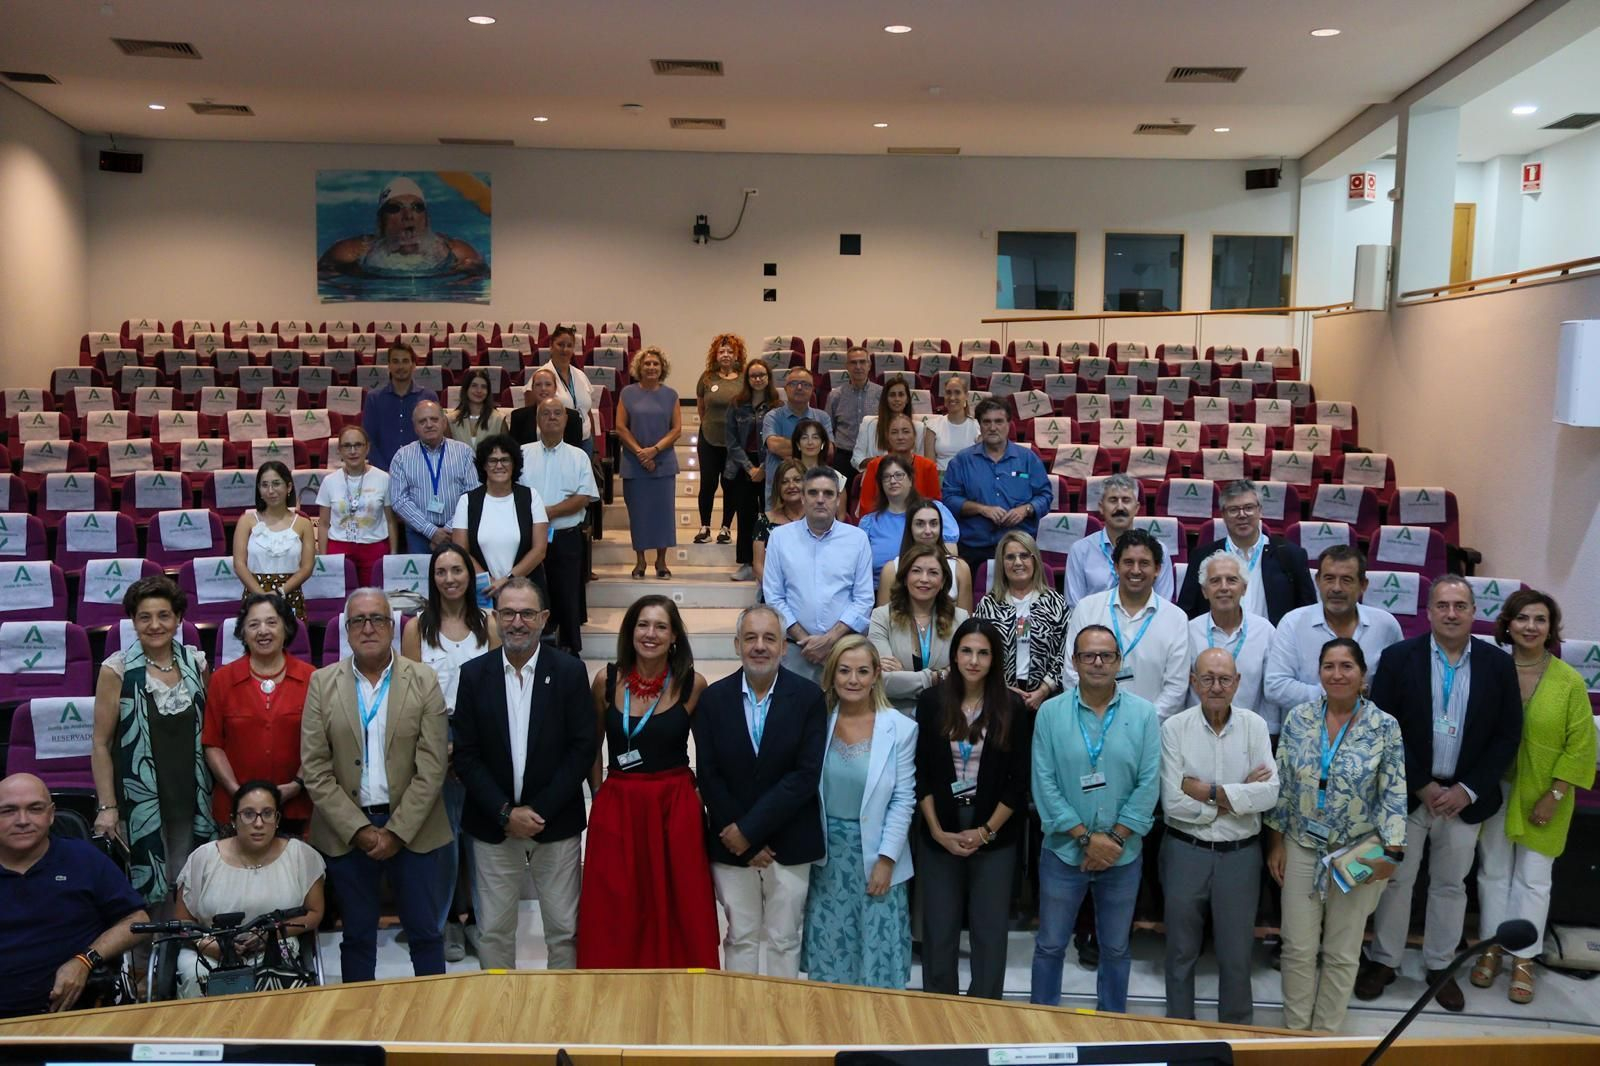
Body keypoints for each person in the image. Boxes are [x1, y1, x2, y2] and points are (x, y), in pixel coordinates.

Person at [1357, 576, 1522, 1011]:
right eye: (1443, 605)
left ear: (1473, 612)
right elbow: (1383, 728)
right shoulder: (1397, 658)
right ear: (1428, 612)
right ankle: (1385, 960)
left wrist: (1467, 790)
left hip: (1465, 800)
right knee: (1395, 881)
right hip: (1409, 794)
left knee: (1451, 886)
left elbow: (1507, 736)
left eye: (1460, 605)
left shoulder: (1498, 665)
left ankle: (1440, 964)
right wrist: (1423, 784)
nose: (1451, 613)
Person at [300, 588, 451, 982]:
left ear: (392, 627)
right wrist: (362, 832)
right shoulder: (322, 683)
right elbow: (315, 767)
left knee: (425, 934)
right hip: (347, 833)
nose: (368, 628)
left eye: (377, 619)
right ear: (346, 630)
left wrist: (396, 832)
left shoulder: (423, 679)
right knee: (357, 937)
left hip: (414, 830)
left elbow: (434, 765)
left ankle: (433, 1030)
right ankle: (358, 1033)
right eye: (358, 621)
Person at [1265, 638, 1407, 1033]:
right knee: (1297, 947)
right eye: (1329, 665)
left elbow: (1394, 792)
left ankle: (1325, 1036)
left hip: (1359, 849)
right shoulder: (1299, 719)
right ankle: (1295, 1033)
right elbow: (1284, 785)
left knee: (1343, 951)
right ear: (1319, 673)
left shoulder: (1384, 726)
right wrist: (1275, 840)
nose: (1337, 674)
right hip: (1301, 843)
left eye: (1347, 666)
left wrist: (1391, 853)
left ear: (1363, 675)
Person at [453, 578, 595, 970]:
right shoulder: (473, 675)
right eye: (509, 613)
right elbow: (465, 755)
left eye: (527, 613)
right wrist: (505, 813)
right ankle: (502, 1023)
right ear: (495, 618)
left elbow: (582, 748)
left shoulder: (569, 672)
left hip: (556, 824)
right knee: (494, 932)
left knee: (564, 931)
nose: (518, 622)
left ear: (544, 619)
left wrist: (538, 811)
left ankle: (561, 1021)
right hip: (492, 826)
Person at [578, 595, 719, 968]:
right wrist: (597, 792)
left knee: (679, 905)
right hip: (618, 803)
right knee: (615, 905)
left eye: (660, 626)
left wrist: (699, 802)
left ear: (674, 636)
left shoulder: (694, 684)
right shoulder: (605, 681)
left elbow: (709, 755)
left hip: (674, 805)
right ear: (630, 631)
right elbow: (592, 746)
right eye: (643, 624)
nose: (650, 634)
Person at [1472, 589, 1596, 1004]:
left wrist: (1557, 793)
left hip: (1547, 793)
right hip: (1495, 787)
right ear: (1507, 623)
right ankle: (1492, 945)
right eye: (1522, 618)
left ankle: (1523, 958)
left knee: (1534, 878)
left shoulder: (1568, 681)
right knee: (1492, 871)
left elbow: (1581, 746)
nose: (1530, 626)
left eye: (1539, 620)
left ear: (1551, 628)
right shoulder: (1491, 668)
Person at [1030, 625, 1161, 1012]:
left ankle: (1111, 1028)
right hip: (1063, 851)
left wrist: (1114, 841)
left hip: (1123, 856)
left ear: (1119, 662)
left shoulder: (1143, 715)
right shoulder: (1051, 714)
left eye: (1106, 655)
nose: (1098, 663)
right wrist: (1088, 839)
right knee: (1050, 944)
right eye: (1089, 655)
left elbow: (1149, 782)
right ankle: (1039, 1026)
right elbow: (1044, 783)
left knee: (1116, 948)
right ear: (1074, 662)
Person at [692, 604, 827, 977]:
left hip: (791, 841)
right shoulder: (713, 700)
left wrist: (750, 831)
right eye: (750, 638)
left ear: (785, 647)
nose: (760, 646)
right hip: (730, 842)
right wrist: (742, 838)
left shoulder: (809, 698)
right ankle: (741, 1027)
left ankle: (781, 1028)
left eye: (770, 638)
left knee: (785, 938)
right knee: (741, 936)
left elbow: (804, 776)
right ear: (737, 644)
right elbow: (709, 774)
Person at [1159, 648, 1279, 1025]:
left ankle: (1237, 1037)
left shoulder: (1255, 726)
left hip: (1240, 856)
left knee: (1236, 954)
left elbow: (1270, 793)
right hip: (1184, 851)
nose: (1215, 686)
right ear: (1193, 682)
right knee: (1180, 952)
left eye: (1224, 679)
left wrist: (1208, 792)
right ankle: (1179, 1034)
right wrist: (1238, 794)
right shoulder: (1174, 728)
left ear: (1238, 683)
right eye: (1207, 678)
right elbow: (1173, 803)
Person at [914, 619, 1032, 999]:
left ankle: (985, 1014)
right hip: (941, 829)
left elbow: (1019, 782)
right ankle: (940, 1016)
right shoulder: (931, 702)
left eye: (983, 652)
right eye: (966, 651)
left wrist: (984, 832)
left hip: (994, 832)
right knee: (939, 930)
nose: (974, 660)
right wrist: (936, 832)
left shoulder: (1013, 707)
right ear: (954, 655)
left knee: (990, 932)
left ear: (994, 658)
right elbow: (923, 773)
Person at [92, 576, 215, 914]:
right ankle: (150, 966)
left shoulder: (197, 664)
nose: (155, 625)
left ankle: (193, 959)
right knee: (150, 896)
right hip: (141, 804)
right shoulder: (115, 670)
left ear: (178, 619)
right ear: (133, 622)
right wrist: (107, 806)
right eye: (144, 617)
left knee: (193, 885)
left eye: (164, 615)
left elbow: (212, 733)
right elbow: (101, 744)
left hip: (193, 799)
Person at [402, 544, 501, 961]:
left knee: (480, 839)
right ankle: (442, 924)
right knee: (441, 841)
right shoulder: (416, 629)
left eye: (457, 570)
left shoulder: (489, 623)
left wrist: (467, 748)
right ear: (433, 577)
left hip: (478, 742)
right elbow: (409, 694)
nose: (450, 578)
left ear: (469, 575)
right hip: (431, 742)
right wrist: (438, 747)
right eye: (441, 571)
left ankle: (480, 921)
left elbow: (497, 688)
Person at [801, 635, 917, 989]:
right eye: (845, 671)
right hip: (825, 858)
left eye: (862, 671)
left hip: (877, 858)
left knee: (877, 959)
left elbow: (903, 799)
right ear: (832, 674)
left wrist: (886, 859)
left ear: (876, 675)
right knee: (831, 955)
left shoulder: (901, 728)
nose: (853, 680)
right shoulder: (815, 721)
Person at [0, 773, 148, 1019]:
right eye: (8, 811)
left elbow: (136, 920)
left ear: (51, 814)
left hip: (77, 1014)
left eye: (35, 809)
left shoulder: (83, 859)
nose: (23, 820)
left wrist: (84, 960)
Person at [172, 781, 326, 998]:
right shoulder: (203, 858)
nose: (259, 823)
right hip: (210, 947)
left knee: (279, 973)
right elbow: (182, 921)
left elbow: (315, 913)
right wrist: (209, 945)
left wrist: (274, 932)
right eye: (248, 814)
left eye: (267, 813)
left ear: (277, 819)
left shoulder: (301, 855)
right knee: (192, 972)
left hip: (276, 943)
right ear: (233, 819)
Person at [202, 594, 314, 834]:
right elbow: (212, 744)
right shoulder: (222, 679)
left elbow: (322, 743)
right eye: (253, 624)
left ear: (287, 627)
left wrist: (296, 786)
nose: (263, 631)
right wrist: (239, 793)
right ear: (242, 632)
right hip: (237, 809)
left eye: (272, 623)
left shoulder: (313, 678)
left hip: (297, 806)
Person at [762, 467, 875, 682]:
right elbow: (774, 596)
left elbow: (864, 599)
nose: (820, 499)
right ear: (803, 498)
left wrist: (830, 640)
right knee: (796, 713)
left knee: (842, 714)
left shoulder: (857, 539)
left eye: (828, 494)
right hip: (796, 650)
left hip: (844, 647)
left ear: (838, 499)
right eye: (813, 493)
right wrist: (806, 641)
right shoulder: (779, 538)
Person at [1063, 529, 1190, 720]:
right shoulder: (1087, 608)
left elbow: (1176, 688)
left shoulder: (1176, 618)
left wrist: (1141, 725)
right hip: (1090, 725)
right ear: (1115, 566)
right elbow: (1072, 672)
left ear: (1157, 569)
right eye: (1128, 562)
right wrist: (1096, 717)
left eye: (1144, 563)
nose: (1136, 570)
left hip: (1152, 731)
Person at [1264, 545, 1404, 713]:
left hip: (1368, 733)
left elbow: (1400, 684)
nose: (1336, 588)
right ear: (1317, 581)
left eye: (1346, 580)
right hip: (1307, 733)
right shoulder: (1292, 623)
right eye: (1329, 578)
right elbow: (1275, 687)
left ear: (1363, 585)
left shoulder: (1386, 625)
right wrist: (1337, 692)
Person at [520, 397, 600, 654]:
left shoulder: (578, 456)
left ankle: (570, 651)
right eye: (546, 413)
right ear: (538, 419)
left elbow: (583, 498)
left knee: (566, 597)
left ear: (566, 420)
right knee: (532, 596)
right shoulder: (521, 453)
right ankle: (533, 650)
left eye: (558, 413)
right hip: (527, 538)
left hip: (565, 537)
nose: (552, 417)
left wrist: (547, 512)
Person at [1176, 479, 1316, 624]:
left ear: (1260, 510)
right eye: (1233, 510)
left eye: (1249, 507)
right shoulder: (1203, 556)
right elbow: (1187, 611)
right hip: (1216, 641)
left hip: (1273, 642)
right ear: (1223, 514)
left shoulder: (1290, 555)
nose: (1242, 515)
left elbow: (1307, 611)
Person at [941, 398, 1052, 575]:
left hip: (1019, 550)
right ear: (980, 425)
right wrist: (981, 509)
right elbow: (949, 500)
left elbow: (1045, 496)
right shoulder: (962, 461)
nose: (993, 427)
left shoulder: (1028, 459)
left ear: (1009, 424)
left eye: (999, 421)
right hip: (974, 550)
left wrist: (1026, 509)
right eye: (987, 422)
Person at [317, 176, 486, 281]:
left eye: (417, 207)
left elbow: (483, 277)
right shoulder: (349, 254)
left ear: (427, 219)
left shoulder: (458, 254)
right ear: (380, 221)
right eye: (395, 208)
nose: (408, 215)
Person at [973, 530, 1069, 712]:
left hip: (1048, 699)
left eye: (1024, 556)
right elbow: (980, 651)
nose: (1017, 563)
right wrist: (1001, 688)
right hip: (998, 698)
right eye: (1010, 557)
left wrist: (1043, 690)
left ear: (1035, 560)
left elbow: (1064, 652)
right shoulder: (988, 604)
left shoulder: (1055, 602)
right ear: (1002, 564)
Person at [870, 543, 969, 716]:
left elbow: (963, 677)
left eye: (933, 572)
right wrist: (938, 676)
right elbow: (882, 681)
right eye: (916, 571)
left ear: (943, 580)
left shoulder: (960, 619)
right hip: (895, 716)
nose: (924, 579)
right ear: (905, 577)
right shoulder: (881, 617)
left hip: (945, 716)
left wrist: (904, 676)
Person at [1185, 553, 1279, 734]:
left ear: (1244, 588)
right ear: (1204, 591)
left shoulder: (1265, 631)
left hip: (1249, 734)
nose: (1224, 587)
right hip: (1196, 733)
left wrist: (1271, 732)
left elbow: (1270, 694)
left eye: (1231, 580)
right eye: (1215, 581)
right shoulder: (1188, 631)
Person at [452, 434, 549, 605]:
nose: (499, 465)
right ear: (484, 465)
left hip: (525, 592)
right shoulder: (467, 501)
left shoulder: (531, 497)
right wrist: (488, 582)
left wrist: (507, 581)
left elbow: (539, 550)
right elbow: (461, 551)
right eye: (492, 460)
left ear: (514, 464)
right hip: (483, 593)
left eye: (505, 460)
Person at [616, 346, 682, 579]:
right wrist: (640, 453)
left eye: (656, 364)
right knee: (639, 515)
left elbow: (676, 430)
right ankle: (640, 561)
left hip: (663, 462)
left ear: (662, 368)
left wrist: (653, 451)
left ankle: (661, 562)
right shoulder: (627, 393)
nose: (651, 367)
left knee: (663, 515)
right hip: (634, 464)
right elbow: (621, 427)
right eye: (647, 363)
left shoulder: (671, 395)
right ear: (639, 368)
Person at [1065, 473, 1175, 608]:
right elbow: (1075, 606)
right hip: (1092, 626)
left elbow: (1163, 606)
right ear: (1101, 507)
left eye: (1126, 500)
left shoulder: (1159, 550)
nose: (1120, 507)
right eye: (1113, 500)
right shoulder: (1080, 550)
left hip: (1145, 626)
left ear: (1137, 508)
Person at [389, 399, 480, 554]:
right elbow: (399, 499)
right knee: (421, 578)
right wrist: (431, 531)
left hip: (458, 530)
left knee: (456, 577)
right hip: (418, 534)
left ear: (444, 423)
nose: (429, 424)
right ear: (415, 428)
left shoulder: (464, 453)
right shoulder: (401, 457)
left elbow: (472, 494)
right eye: (422, 421)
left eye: (434, 419)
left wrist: (448, 529)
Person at [231, 461, 316, 619]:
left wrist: (279, 592)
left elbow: (307, 567)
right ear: (259, 490)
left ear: (288, 487)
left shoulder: (303, 524)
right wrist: (262, 596)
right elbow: (239, 564)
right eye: (264, 485)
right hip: (255, 596)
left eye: (276, 484)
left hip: (290, 595)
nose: (271, 491)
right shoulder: (246, 521)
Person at [316, 425, 398, 580]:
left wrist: (393, 553)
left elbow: (390, 521)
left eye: (358, 445)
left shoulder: (383, 478)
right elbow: (324, 523)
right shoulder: (329, 481)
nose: (353, 451)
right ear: (339, 451)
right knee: (341, 600)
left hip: (374, 548)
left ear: (367, 448)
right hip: (339, 547)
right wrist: (323, 557)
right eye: (347, 446)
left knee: (373, 598)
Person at [725, 357, 780, 582]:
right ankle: (747, 563)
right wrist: (750, 469)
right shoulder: (736, 404)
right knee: (746, 515)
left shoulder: (777, 406)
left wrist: (765, 468)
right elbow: (731, 440)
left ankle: (770, 563)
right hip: (742, 467)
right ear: (747, 379)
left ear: (768, 379)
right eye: (753, 376)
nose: (758, 379)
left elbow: (778, 439)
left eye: (762, 375)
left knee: (770, 515)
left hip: (770, 464)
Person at [857, 454, 959, 573]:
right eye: (886, 477)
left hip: (928, 586)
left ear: (910, 480)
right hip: (878, 588)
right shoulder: (869, 523)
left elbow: (951, 561)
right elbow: (860, 569)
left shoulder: (934, 511)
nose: (893, 481)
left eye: (899, 475)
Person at [877, 498, 974, 613]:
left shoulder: (960, 568)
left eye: (933, 524)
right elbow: (882, 622)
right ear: (910, 528)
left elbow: (965, 624)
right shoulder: (891, 569)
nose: (928, 531)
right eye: (920, 524)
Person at [694, 333, 745, 546]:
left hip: (734, 442)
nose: (725, 355)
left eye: (730, 351)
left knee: (730, 484)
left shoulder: (744, 378)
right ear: (715, 354)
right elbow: (701, 407)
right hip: (709, 439)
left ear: (737, 355)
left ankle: (725, 528)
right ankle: (704, 527)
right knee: (707, 483)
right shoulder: (707, 377)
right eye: (722, 351)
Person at [362, 341, 439, 470]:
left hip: (422, 470)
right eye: (395, 361)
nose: (400, 366)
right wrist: (385, 470)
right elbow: (369, 439)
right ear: (389, 366)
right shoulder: (374, 398)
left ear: (414, 365)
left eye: (405, 361)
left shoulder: (429, 397)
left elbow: (435, 437)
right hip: (383, 473)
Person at [856, 413, 943, 514]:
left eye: (906, 432)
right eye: (894, 432)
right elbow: (866, 507)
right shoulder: (874, 466)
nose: (900, 437)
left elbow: (935, 506)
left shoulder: (928, 467)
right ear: (887, 437)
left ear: (914, 436)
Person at [762, 365, 831, 490]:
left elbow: (829, 449)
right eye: (793, 383)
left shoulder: (823, 417)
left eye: (805, 384)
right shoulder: (772, 416)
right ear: (785, 388)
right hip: (779, 488)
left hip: (814, 487)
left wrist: (787, 447)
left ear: (812, 389)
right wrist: (812, 449)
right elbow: (774, 446)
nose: (799, 388)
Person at [852, 375, 932, 470]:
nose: (897, 399)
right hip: (874, 476)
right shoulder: (868, 423)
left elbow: (920, 461)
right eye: (892, 395)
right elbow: (856, 459)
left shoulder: (919, 427)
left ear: (907, 399)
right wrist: (880, 463)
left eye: (901, 394)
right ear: (886, 399)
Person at [824, 346, 880, 480]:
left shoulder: (882, 394)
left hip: (872, 457)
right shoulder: (835, 395)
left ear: (869, 365)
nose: (858, 366)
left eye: (862, 362)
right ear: (847, 366)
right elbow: (828, 428)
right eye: (853, 362)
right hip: (843, 457)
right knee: (842, 497)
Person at [543, 325, 597, 455]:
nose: (565, 349)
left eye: (569, 345)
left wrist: (595, 449)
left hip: (585, 441)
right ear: (551, 346)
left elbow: (588, 412)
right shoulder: (541, 376)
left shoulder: (580, 375)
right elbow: (534, 415)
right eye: (560, 344)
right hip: (557, 442)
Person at [753, 458, 806, 586]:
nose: (791, 486)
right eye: (784, 482)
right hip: (774, 594)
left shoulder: (817, 520)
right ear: (778, 487)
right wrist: (777, 593)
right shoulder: (764, 521)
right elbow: (758, 565)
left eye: (797, 480)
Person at [509, 365, 583, 448]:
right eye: (538, 385)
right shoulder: (518, 417)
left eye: (548, 384)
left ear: (555, 388)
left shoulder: (573, 417)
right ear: (532, 389)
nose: (543, 388)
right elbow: (514, 451)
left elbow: (575, 450)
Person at [790, 418, 848, 513]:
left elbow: (840, 517)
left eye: (815, 437)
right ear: (798, 444)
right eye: (804, 438)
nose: (810, 442)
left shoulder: (836, 476)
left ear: (823, 443)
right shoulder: (788, 474)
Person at [926, 373, 979, 473]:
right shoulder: (932, 426)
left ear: (966, 396)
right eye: (948, 393)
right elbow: (929, 468)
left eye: (957, 392)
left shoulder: (977, 427)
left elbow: (979, 465)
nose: (952, 397)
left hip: (967, 478)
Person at [449, 366, 506, 448]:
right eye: (474, 386)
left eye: (483, 387)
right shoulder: (451, 420)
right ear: (466, 389)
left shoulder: (499, 419)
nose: (479, 390)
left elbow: (506, 452)